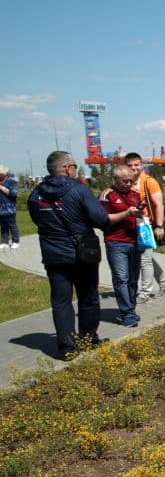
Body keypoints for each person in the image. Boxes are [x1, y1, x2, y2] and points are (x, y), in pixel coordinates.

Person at [27, 151, 114, 358]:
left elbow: (37, 219)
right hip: (81, 252)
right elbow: (100, 219)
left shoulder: (35, 194)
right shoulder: (79, 191)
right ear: (67, 168)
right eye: (74, 165)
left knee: (60, 301)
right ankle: (88, 338)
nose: (75, 169)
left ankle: (66, 347)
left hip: (53, 254)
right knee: (88, 297)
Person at [124, 152, 165, 302]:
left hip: (147, 225)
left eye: (136, 165)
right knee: (146, 258)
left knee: (144, 260)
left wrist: (159, 226)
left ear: (141, 166)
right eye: (130, 165)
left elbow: (159, 205)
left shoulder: (148, 182)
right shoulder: (126, 181)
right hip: (132, 225)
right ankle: (164, 283)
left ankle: (145, 293)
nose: (133, 168)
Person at [100, 164, 144, 327]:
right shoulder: (107, 195)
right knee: (121, 279)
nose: (127, 184)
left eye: (130, 181)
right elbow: (103, 219)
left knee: (133, 279)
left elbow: (139, 215)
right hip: (116, 242)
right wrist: (126, 213)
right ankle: (127, 313)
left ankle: (131, 309)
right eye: (124, 181)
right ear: (115, 179)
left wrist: (140, 213)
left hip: (134, 242)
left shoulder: (135, 195)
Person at [0, 164, 19, 249]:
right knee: (3, 226)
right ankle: (5, 242)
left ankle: (16, 241)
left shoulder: (12, 182)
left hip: (9, 208)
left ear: (3, 174)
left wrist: (1, 187)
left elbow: (13, 193)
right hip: (0, 209)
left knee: (12, 225)